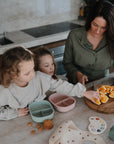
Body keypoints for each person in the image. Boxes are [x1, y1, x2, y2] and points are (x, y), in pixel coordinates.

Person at [0, 46, 99, 120]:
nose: (32, 74)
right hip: (19, 123)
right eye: (27, 73)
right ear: (13, 75)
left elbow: (60, 84)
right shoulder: (5, 91)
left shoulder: (39, 77)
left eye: (33, 69)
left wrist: (84, 93)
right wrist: (14, 113)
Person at [63, 0, 114, 85]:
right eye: (95, 25)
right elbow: (67, 63)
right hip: (76, 86)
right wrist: (77, 74)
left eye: (103, 27)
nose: (97, 31)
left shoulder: (112, 39)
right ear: (90, 20)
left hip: (103, 84)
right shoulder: (74, 36)